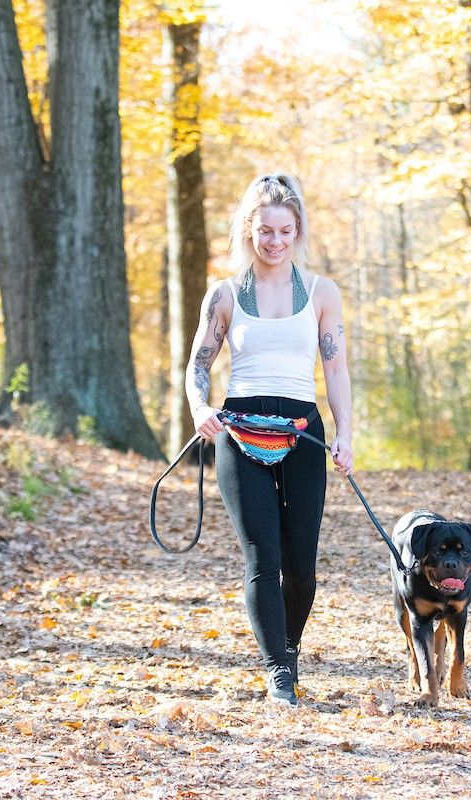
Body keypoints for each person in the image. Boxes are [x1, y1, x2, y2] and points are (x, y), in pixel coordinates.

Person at [185, 173, 353, 708]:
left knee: (301, 565)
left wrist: (346, 432)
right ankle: (278, 672)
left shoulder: (323, 292)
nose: (274, 241)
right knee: (263, 555)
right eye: (265, 232)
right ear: (249, 232)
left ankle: (289, 646)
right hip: (238, 431)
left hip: (303, 431)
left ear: (297, 230)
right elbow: (198, 365)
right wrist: (200, 409)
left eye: (284, 231)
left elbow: (336, 367)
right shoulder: (226, 294)